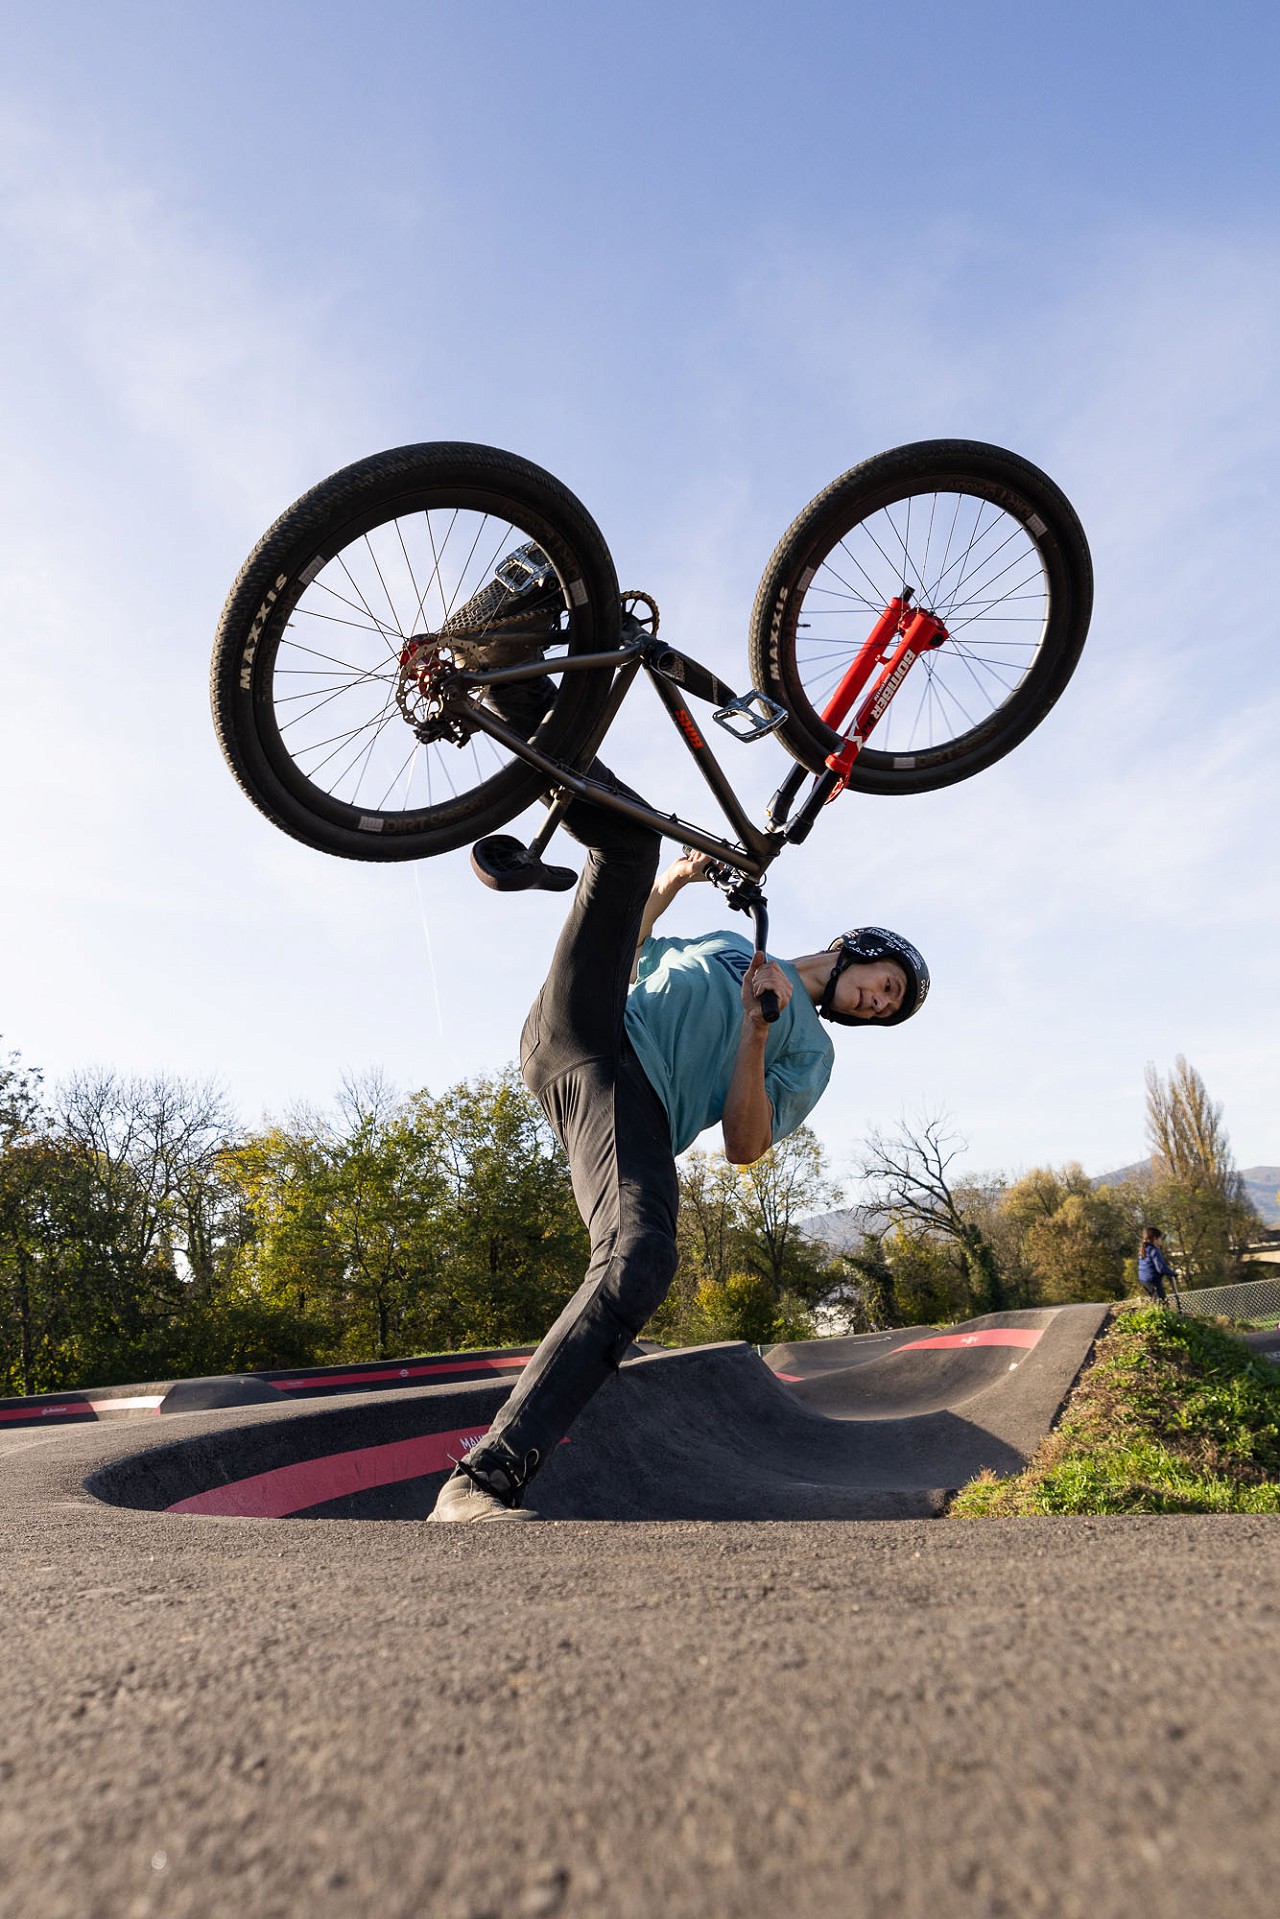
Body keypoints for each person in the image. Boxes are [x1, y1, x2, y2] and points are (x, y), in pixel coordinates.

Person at [426, 559, 930, 1522]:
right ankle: (503, 660)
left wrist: (754, 1032)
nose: (874, 1002)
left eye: (885, 1010)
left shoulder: (808, 1052)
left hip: (635, 1095)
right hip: (584, 1015)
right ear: (866, 949)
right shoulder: (742, 938)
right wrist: (683, 883)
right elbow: (639, 937)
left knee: (640, 1256)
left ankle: (482, 1480)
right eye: (883, 985)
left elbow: (744, 1145)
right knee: (629, 847)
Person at [1137, 1225, 1177, 1305]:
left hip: (1144, 1280)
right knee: (1162, 1303)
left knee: (1155, 1301)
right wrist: (1173, 1273)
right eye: (1160, 1238)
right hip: (1153, 1280)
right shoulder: (1154, 1250)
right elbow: (1161, 1268)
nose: (1161, 1241)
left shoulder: (1143, 1249)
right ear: (1155, 1239)